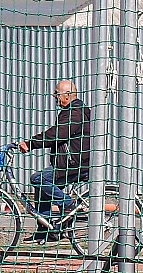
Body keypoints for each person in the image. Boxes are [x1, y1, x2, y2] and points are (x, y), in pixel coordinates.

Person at [17, 79, 91, 240]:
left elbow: (57, 134)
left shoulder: (75, 112)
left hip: (75, 164)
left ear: (67, 95)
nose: (54, 96)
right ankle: (46, 230)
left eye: (57, 94)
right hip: (75, 162)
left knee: (38, 179)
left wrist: (31, 143)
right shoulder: (74, 110)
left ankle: (67, 204)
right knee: (42, 188)